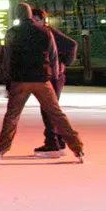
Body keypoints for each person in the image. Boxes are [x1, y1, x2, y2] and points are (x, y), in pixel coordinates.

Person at [0, 2, 84, 162]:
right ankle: (77, 149)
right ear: (30, 15)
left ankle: (2, 148)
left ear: (16, 15)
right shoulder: (44, 32)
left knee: (12, 116)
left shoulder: (13, 33)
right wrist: (54, 75)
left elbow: (7, 58)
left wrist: (7, 77)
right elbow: (53, 55)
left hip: (20, 79)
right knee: (56, 114)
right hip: (42, 78)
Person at [32, 8, 78, 157]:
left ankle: (53, 143)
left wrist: (62, 64)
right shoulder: (42, 33)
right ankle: (57, 141)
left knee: (49, 109)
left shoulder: (48, 32)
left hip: (54, 76)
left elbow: (72, 44)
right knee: (50, 109)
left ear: (39, 19)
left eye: (33, 19)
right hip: (52, 74)